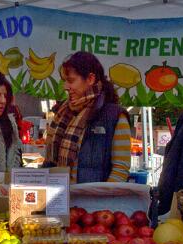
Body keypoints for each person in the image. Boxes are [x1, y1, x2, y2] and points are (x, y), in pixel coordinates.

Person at [44, 51, 131, 183]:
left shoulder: (115, 116)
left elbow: (120, 169)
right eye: (65, 81)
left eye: (71, 81)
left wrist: (100, 201)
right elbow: (50, 163)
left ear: (90, 79)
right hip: (59, 199)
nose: (66, 87)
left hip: (94, 201)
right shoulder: (63, 113)